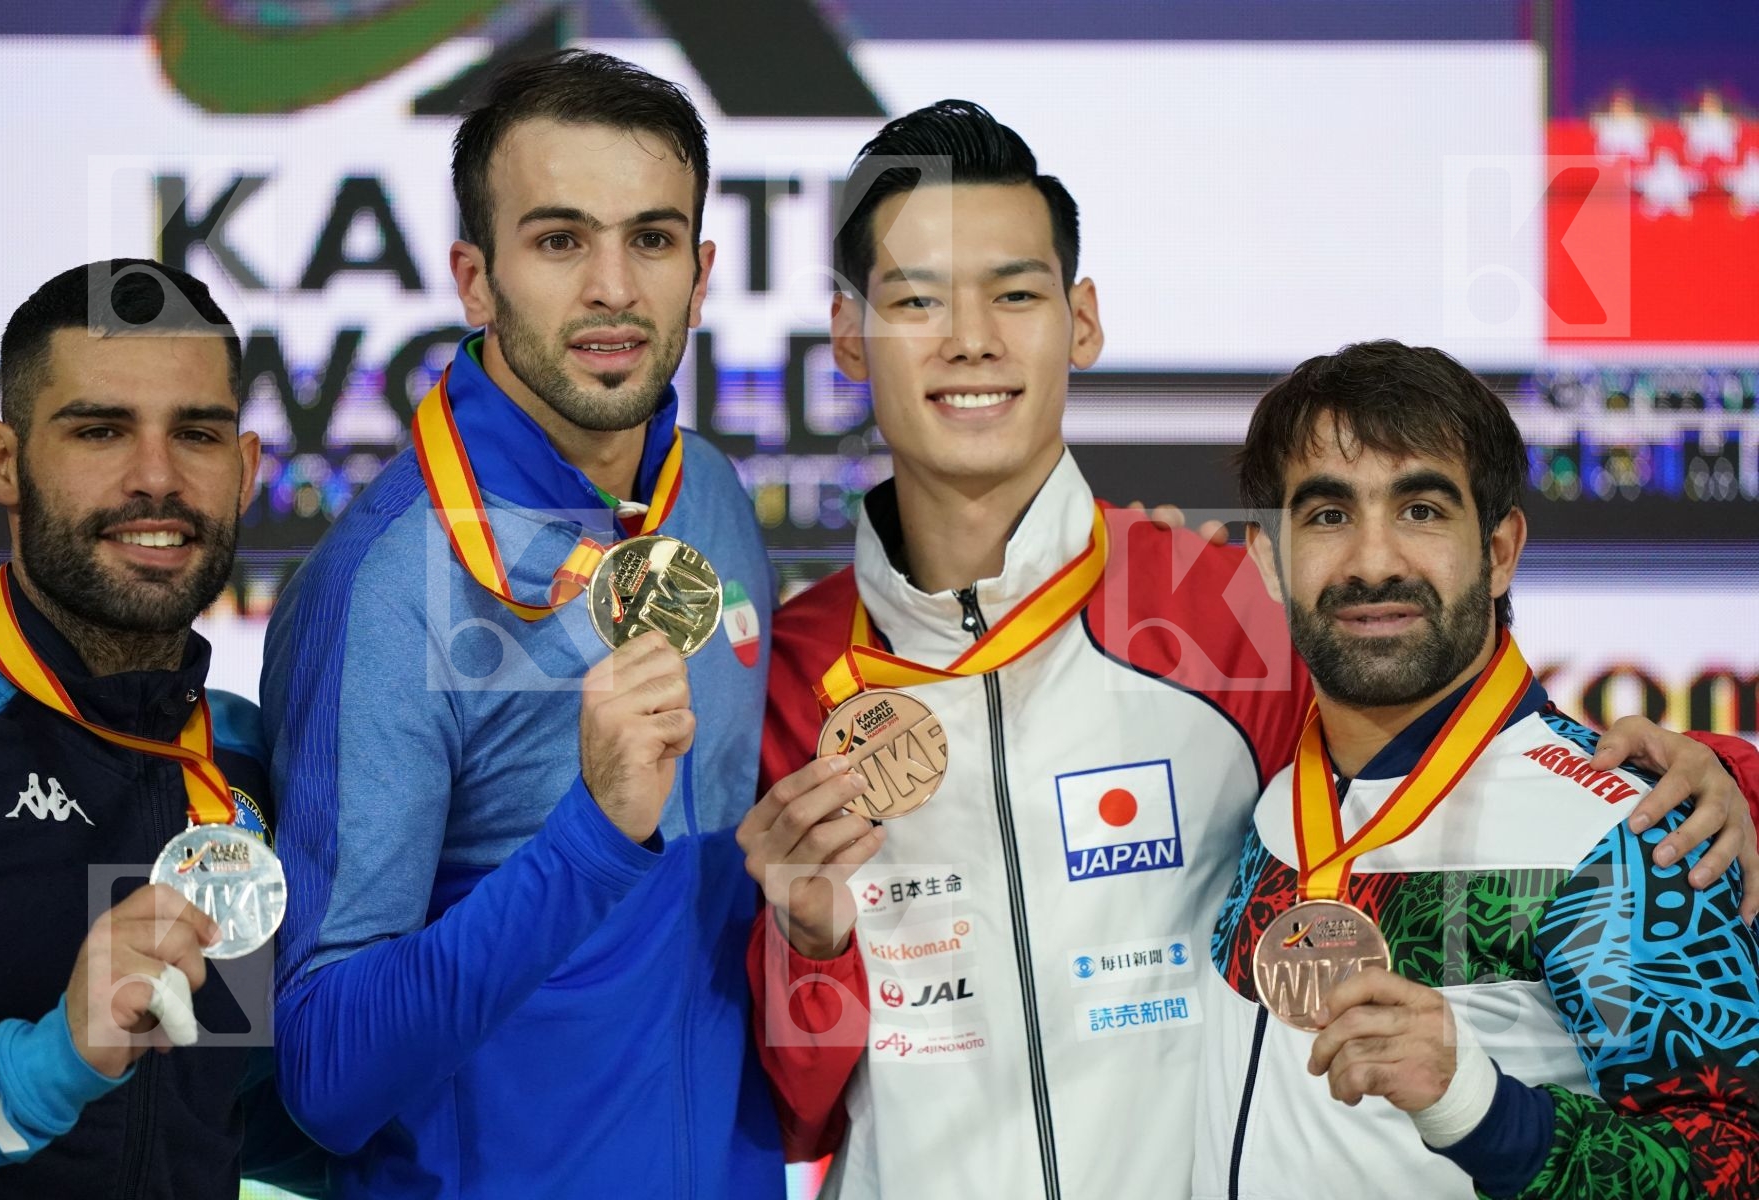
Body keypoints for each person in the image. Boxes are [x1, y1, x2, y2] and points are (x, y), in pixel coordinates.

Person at [738, 102, 1759, 1200]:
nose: (972, 338)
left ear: (1081, 321)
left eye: (1016, 293)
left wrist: (1725, 780)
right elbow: (793, 1107)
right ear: (850, 336)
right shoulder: (786, 669)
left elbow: (1449, 723)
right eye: (915, 301)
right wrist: (813, 944)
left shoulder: (1221, 606)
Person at [261, 50, 783, 1197]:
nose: (612, 286)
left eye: (650, 239)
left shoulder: (714, 498)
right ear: (475, 278)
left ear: (700, 273)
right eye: (559, 241)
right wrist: (590, 836)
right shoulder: (387, 582)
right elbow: (324, 1070)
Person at [1193, 339, 1759, 1199]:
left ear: (1498, 551)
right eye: (1328, 515)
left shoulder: (1625, 838)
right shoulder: (1270, 796)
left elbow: (1732, 1165)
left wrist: (1480, 1107)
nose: (1374, 562)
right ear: (1270, 559)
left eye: (1421, 510)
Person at [0, 259, 319, 1197]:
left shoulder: (243, 762)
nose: (156, 478)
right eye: (101, 430)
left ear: (242, 471)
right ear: (2, 460)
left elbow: (236, 1112)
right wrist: (54, 1062)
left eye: (194, 433)